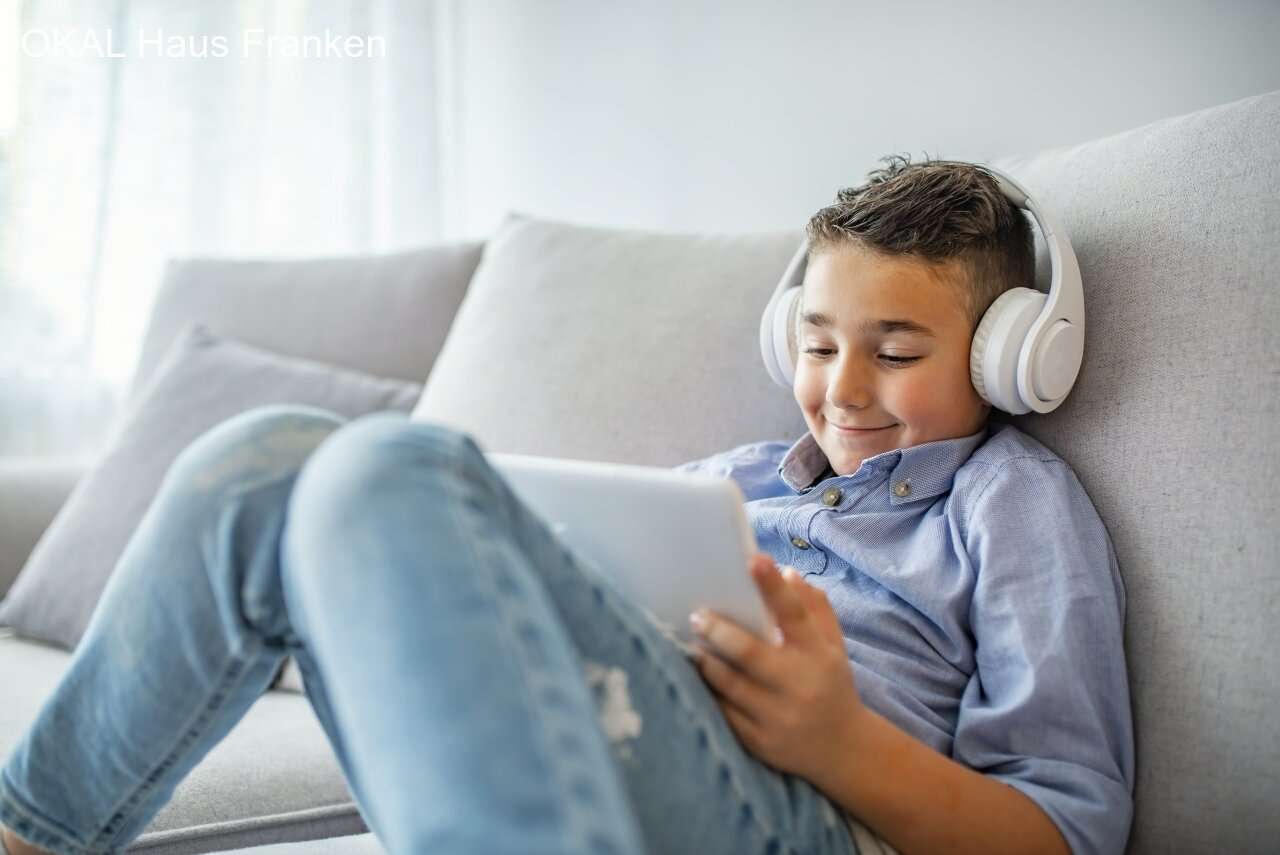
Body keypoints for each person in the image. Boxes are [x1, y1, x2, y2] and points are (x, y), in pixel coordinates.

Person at [0, 155, 1133, 855]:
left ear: (1004, 357)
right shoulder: (725, 483)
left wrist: (836, 743)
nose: (840, 388)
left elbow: (1066, 830)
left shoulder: (1009, 507)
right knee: (270, 454)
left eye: (894, 351)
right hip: (594, 746)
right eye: (819, 343)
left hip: (811, 817)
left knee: (386, 465)